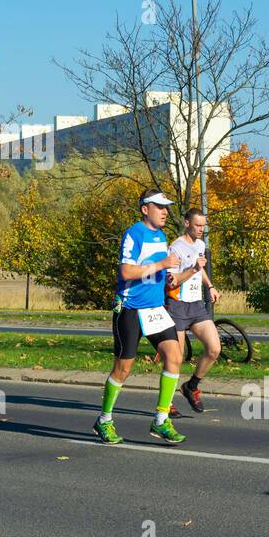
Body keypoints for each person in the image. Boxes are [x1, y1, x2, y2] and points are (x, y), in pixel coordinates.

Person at [93, 189, 187, 446]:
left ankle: (160, 420)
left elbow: (156, 268)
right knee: (123, 369)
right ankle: (104, 420)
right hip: (130, 308)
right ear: (145, 209)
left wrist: (165, 277)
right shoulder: (134, 233)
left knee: (175, 356)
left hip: (155, 309)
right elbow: (126, 271)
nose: (165, 211)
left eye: (166, 207)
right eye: (159, 207)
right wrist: (160, 266)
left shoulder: (161, 235)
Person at [165, 209, 223, 413]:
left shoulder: (200, 245)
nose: (201, 229)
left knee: (214, 348)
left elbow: (202, 269)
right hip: (178, 306)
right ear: (187, 223)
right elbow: (172, 282)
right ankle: (167, 402)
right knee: (176, 358)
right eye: (198, 225)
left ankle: (191, 387)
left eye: (203, 225)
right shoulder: (175, 248)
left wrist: (210, 286)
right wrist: (194, 269)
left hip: (197, 305)